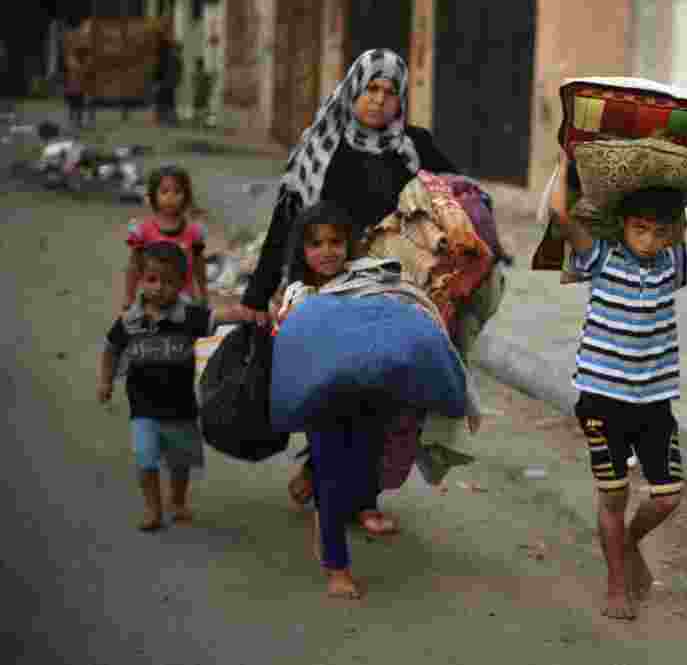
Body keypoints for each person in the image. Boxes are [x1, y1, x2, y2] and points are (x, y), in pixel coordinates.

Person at [235, 48, 460, 534]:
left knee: (382, 393)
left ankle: (363, 496)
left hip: (387, 291)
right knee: (332, 390)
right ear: (352, 91)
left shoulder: (413, 147)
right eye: (370, 90)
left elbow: (458, 198)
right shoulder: (322, 145)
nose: (378, 102)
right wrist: (257, 295)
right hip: (325, 289)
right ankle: (322, 467)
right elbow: (286, 223)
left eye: (389, 92)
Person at [550, 147, 687, 621]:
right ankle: (617, 584)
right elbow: (560, 212)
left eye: (661, 231)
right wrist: (564, 162)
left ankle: (629, 544)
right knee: (614, 495)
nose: (650, 239)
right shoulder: (599, 258)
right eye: (640, 228)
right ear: (622, 226)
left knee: (667, 496)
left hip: (654, 402)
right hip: (602, 399)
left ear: (673, 233)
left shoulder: (672, 265)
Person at [273, 200, 481, 597]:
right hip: (326, 403)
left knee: (364, 472)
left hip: (372, 399)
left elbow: (403, 312)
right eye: (316, 244)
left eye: (335, 241)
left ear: (350, 244)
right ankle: (337, 566)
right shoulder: (299, 295)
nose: (327, 251)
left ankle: (320, 495)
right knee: (334, 482)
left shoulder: (372, 279)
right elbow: (291, 346)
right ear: (301, 250)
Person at [98, 242, 244, 531]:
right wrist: (106, 380)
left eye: (168, 282)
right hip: (143, 407)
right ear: (141, 279)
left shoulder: (188, 316)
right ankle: (153, 508)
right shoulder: (131, 321)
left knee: (180, 462)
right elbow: (111, 348)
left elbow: (221, 316)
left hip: (180, 408)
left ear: (181, 284)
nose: (159, 287)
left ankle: (177, 500)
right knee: (145, 458)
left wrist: (250, 311)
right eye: (152, 279)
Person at [123, 165, 208, 313]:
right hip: (151, 300)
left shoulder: (194, 233)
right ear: (153, 195)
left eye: (177, 192)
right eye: (164, 192)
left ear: (186, 196)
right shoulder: (142, 232)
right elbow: (134, 266)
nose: (170, 197)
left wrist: (203, 292)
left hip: (184, 300)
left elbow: (198, 265)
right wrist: (128, 296)